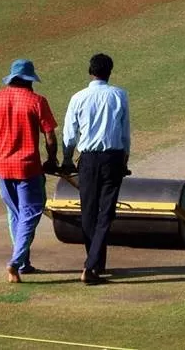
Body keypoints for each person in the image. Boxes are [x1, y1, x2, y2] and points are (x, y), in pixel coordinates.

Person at [0, 58, 59, 284]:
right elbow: (50, 137)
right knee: (30, 213)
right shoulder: (36, 101)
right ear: (29, 81)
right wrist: (52, 160)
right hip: (28, 168)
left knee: (15, 214)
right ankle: (15, 261)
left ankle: (23, 263)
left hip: (2, 169)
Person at [61, 53, 132, 285]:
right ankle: (92, 265)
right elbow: (124, 133)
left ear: (90, 71)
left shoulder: (78, 97)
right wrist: (125, 161)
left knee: (89, 213)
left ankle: (94, 263)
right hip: (113, 158)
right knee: (106, 213)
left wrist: (67, 160)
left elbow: (70, 134)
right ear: (109, 72)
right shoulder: (119, 95)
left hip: (88, 160)